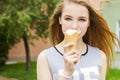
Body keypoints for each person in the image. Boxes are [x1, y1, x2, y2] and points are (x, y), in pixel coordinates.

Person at [37, 0, 119, 80]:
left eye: (82, 19)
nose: (74, 26)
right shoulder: (45, 58)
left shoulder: (100, 56)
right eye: (68, 18)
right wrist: (67, 73)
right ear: (60, 20)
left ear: (88, 23)